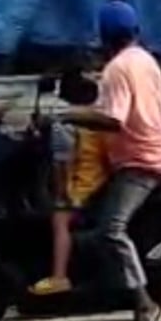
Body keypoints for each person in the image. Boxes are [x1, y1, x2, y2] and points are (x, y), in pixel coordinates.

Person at [62, 0, 161, 321]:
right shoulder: (145, 59)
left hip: (140, 163)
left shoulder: (116, 69)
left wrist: (68, 117)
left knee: (109, 230)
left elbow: (114, 120)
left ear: (104, 37)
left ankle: (146, 307)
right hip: (152, 152)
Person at [29, 74, 111, 296]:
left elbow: (62, 164)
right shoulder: (98, 116)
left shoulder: (65, 123)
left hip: (82, 185)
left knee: (59, 219)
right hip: (100, 179)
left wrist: (61, 194)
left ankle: (59, 276)